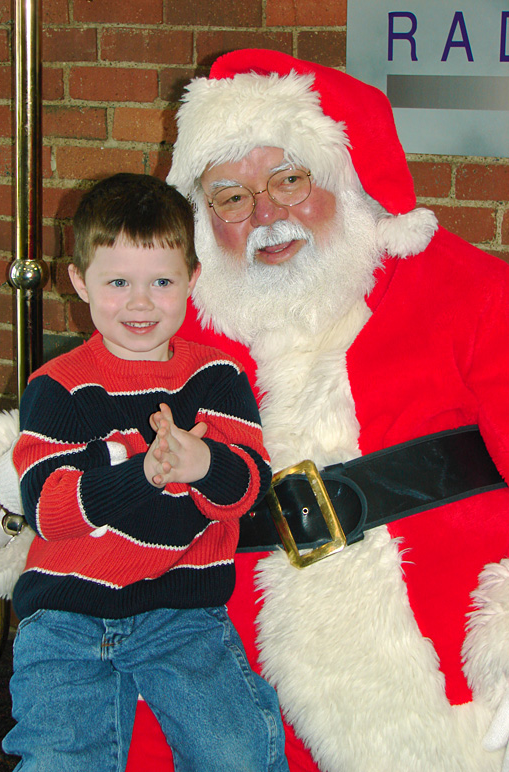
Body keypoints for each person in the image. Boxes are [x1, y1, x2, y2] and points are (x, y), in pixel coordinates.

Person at [161, 50, 508, 772]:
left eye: (289, 180)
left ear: (344, 177)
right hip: (235, 648)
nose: (265, 215)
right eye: (230, 197)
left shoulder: (465, 288)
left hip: (437, 642)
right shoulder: (177, 325)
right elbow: (89, 433)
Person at [0, 172, 288, 772]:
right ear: (80, 281)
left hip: (182, 615)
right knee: (58, 759)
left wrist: (202, 463)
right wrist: (145, 475)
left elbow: (249, 489)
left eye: (161, 281)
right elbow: (49, 512)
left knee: (238, 754)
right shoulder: (57, 387)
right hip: (65, 615)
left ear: (191, 279)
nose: (139, 302)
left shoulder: (217, 378)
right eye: (118, 282)